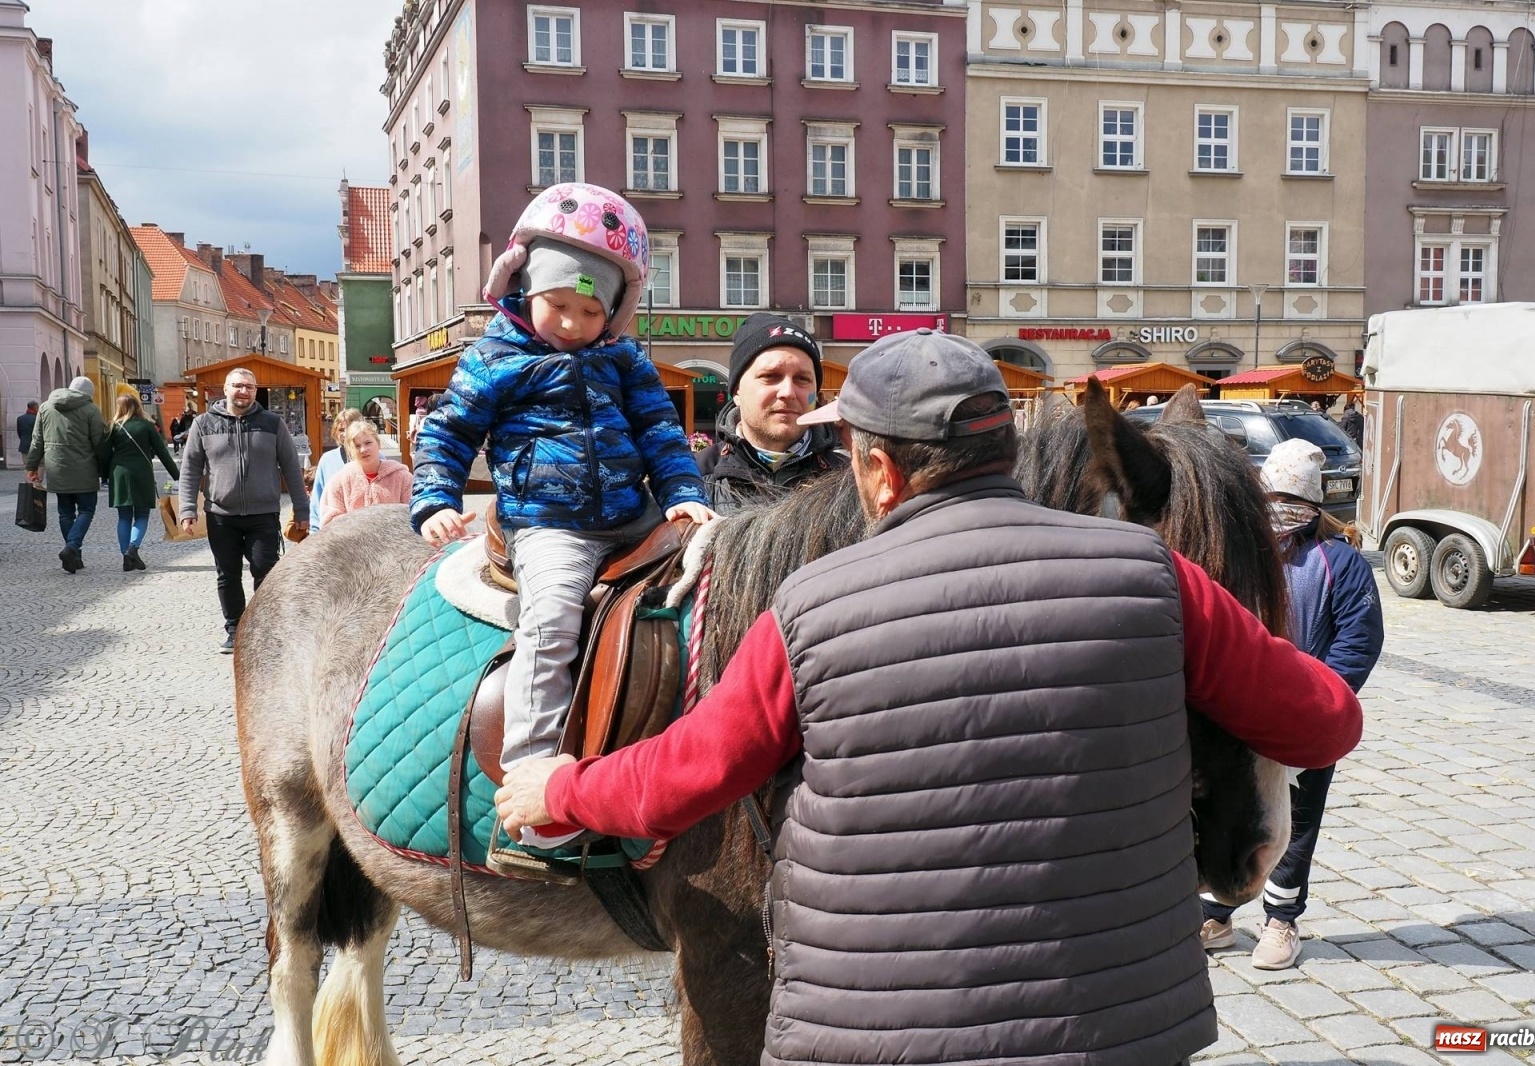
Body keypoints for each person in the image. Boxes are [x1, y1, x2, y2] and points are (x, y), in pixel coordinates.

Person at [494, 329, 1364, 1066]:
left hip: (879, 1036)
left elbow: (688, 773)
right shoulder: (1158, 577)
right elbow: (1329, 719)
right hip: (1118, 1032)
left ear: (876, 470)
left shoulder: (811, 608)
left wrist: (558, 791)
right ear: (1007, 451)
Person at [411, 181, 713, 849]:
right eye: (558, 305)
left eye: (589, 310)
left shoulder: (623, 359)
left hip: (632, 516)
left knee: (717, 582)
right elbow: (446, 433)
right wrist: (435, 496)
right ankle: (529, 782)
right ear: (522, 288)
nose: (573, 324)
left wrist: (684, 492)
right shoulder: (495, 357)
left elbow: (661, 430)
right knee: (552, 621)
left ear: (615, 311)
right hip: (550, 525)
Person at [1200, 438, 1382, 970]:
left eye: (1290, 499)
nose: (1279, 511)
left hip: (1303, 715)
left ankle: (1281, 921)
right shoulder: (1236, 554)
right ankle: (1217, 912)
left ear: (1313, 506)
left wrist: (1315, 702)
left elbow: (1357, 641)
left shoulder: (1341, 563)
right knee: (1227, 809)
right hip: (1237, 713)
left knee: (1298, 820)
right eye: (1271, 498)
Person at [177, 368, 310, 654]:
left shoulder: (272, 424)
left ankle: (265, 628)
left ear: (255, 390)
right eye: (238, 386)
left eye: (249, 387)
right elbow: (189, 470)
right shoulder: (203, 424)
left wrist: (302, 510)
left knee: (266, 571)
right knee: (228, 574)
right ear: (225, 389)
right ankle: (235, 630)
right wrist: (188, 509)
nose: (244, 391)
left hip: (263, 514)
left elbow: (291, 469)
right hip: (220, 515)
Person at [696, 313, 848, 510]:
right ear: (737, 391)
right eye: (770, 376)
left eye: (802, 379)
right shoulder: (692, 480)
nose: (788, 392)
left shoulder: (850, 479)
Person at [25, 377, 107, 574]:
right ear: (88, 393)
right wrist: (105, 468)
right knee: (87, 510)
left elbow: (37, 440)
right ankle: (71, 547)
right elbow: (99, 442)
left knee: (65, 513)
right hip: (84, 469)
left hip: (57, 468)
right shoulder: (91, 410)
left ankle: (74, 556)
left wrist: (32, 466)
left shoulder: (45, 407)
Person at [99, 393, 180, 572]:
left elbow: (104, 455)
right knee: (142, 515)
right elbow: (162, 452)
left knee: (124, 517)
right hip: (142, 472)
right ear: (138, 406)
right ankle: (132, 548)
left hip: (119, 473)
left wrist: (105, 476)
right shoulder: (147, 426)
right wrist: (177, 475)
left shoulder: (111, 427)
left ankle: (125, 556)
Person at [319, 420, 413, 526]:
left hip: (395, 541)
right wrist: (360, 524)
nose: (363, 449)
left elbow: (414, 515)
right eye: (357, 446)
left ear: (378, 444)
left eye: (368, 443)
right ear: (350, 450)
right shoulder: (339, 481)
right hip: (353, 542)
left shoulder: (403, 478)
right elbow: (329, 522)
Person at [309, 407, 361, 533]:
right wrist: (315, 530)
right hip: (334, 531)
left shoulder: (375, 457)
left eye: (350, 428)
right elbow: (318, 497)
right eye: (341, 430)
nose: (345, 434)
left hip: (365, 530)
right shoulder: (327, 460)